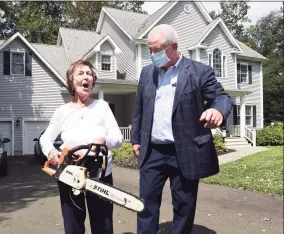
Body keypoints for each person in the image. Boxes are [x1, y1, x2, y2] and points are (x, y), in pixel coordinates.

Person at [131, 24, 232, 234]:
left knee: (184, 205)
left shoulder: (199, 72)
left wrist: (218, 112)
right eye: (149, 49)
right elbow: (140, 109)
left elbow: (221, 97)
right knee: (145, 203)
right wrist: (136, 139)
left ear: (174, 46)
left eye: (156, 49)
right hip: (153, 152)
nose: (152, 54)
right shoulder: (147, 73)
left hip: (185, 151)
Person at [40, 59, 123, 234]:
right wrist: (51, 151)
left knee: (103, 225)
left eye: (89, 74)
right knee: (73, 224)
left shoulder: (102, 107)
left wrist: (104, 140)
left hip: (99, 174)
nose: (86, 77)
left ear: (93, 81)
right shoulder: (62, 111)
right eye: (80, 73)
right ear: (71, 81)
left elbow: (118, 138)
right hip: (70, 174)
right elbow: (45, 138)